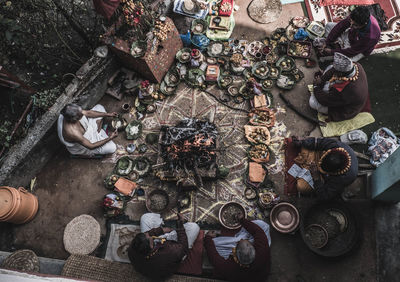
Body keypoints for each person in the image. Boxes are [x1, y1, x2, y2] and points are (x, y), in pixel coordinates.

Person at [128, 213, 200, 280]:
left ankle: (162, 224)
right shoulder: (171, 252)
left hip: (156, 249)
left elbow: (146, 235)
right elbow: (183, 246)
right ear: (151, 245)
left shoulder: (132, 249)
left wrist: (160, 230)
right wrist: (180, 225)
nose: (148, 234)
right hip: (173, 250)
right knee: (194, 227)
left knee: (145, 217)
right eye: (149, 237)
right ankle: (172, 234)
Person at [204, 214, 271, 282]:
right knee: (263, 226)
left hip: (245, 276)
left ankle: (238, 238)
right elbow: (258, 232)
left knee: (215, 243)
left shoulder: (229, 269)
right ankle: (241, 237)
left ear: (235, 254)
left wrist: (208, 238)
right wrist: (242, 220)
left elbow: (213, 257)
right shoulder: (263, 250)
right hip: (260, 276)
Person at [292, 137, 358, 200]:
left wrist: (316, 177)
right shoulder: (336, 146)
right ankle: (309, 163)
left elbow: (323, 195)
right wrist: (303, 142)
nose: (319, 165)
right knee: (305, 147)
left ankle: (307, 165)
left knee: (301, 187)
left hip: (322, 177)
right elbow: (319, 142)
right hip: (319, 158)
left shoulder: (343, 178)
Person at [309, 52, 369, 122]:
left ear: (340, 74)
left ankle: (320, 91)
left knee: (312, 102)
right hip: (342, 95)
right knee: (330, 67)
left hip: (345, 109)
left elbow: (325, 101)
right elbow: (332, 70)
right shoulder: (356, 65)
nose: (334, 71)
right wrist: (322, 80)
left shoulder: (349, 90)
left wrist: (316, 86)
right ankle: (322, 89)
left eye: (336, 72)